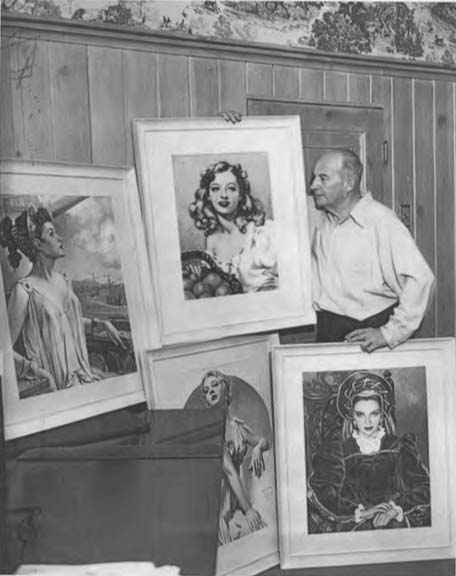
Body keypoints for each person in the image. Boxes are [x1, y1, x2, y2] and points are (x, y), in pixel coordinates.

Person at [310, 148, 435, 351]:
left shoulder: (382, 221)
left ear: (348, 183)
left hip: (366, 337)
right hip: (327, 330)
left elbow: (421, 279)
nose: (313, 186)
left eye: (323, 178)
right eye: (314, 178)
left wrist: (389, 333)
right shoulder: (323, 219)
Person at [0, 206, 125, 394]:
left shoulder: (65, 280)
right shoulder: (24, 291)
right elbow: (3, 350)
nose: (59, 238)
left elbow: (66, 322)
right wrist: (38, 372)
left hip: (83, 376)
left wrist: (102, 324)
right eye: (52, 234)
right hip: (56, 388)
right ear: (38, 244)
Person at [308, 371, 430, 532]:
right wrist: (362, 513)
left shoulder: (400, 446)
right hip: (355, 525)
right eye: (360, 414)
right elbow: (325, 493)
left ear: (382, 415)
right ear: (352, 417)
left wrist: (395, 509)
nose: (368, 421)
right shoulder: (338, 450)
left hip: (395, 524)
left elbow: (424, 487)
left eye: (374, 413)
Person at [200, 369, 269, 545]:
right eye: (207, 391)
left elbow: (264, 441)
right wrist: (249, 510)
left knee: (259, 534)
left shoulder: (236, 427)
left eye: (215, 385)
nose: (211, 391)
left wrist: (257, 449)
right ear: (206, 400)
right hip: (219, 506)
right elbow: (230, 472)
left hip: (235, 499)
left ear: (225, 390)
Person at [188, 160, 278, 293]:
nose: (223, 195)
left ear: (241, 194)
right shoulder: (212, 240)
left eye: (231, 188)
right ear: (208, 196)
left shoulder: (259, 233)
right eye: (215, 189)